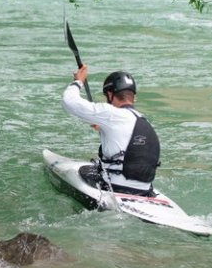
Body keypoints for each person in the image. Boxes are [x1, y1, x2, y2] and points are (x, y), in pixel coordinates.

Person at [62, 64, 161, 196]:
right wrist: (104, 128)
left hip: (115, 188)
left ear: (110, 94)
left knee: (86, 171)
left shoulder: (110, 113)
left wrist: (78, 81)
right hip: (144, 190)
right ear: (133, 96)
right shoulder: (143, 120)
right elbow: (128, 146)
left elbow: (69, 101)